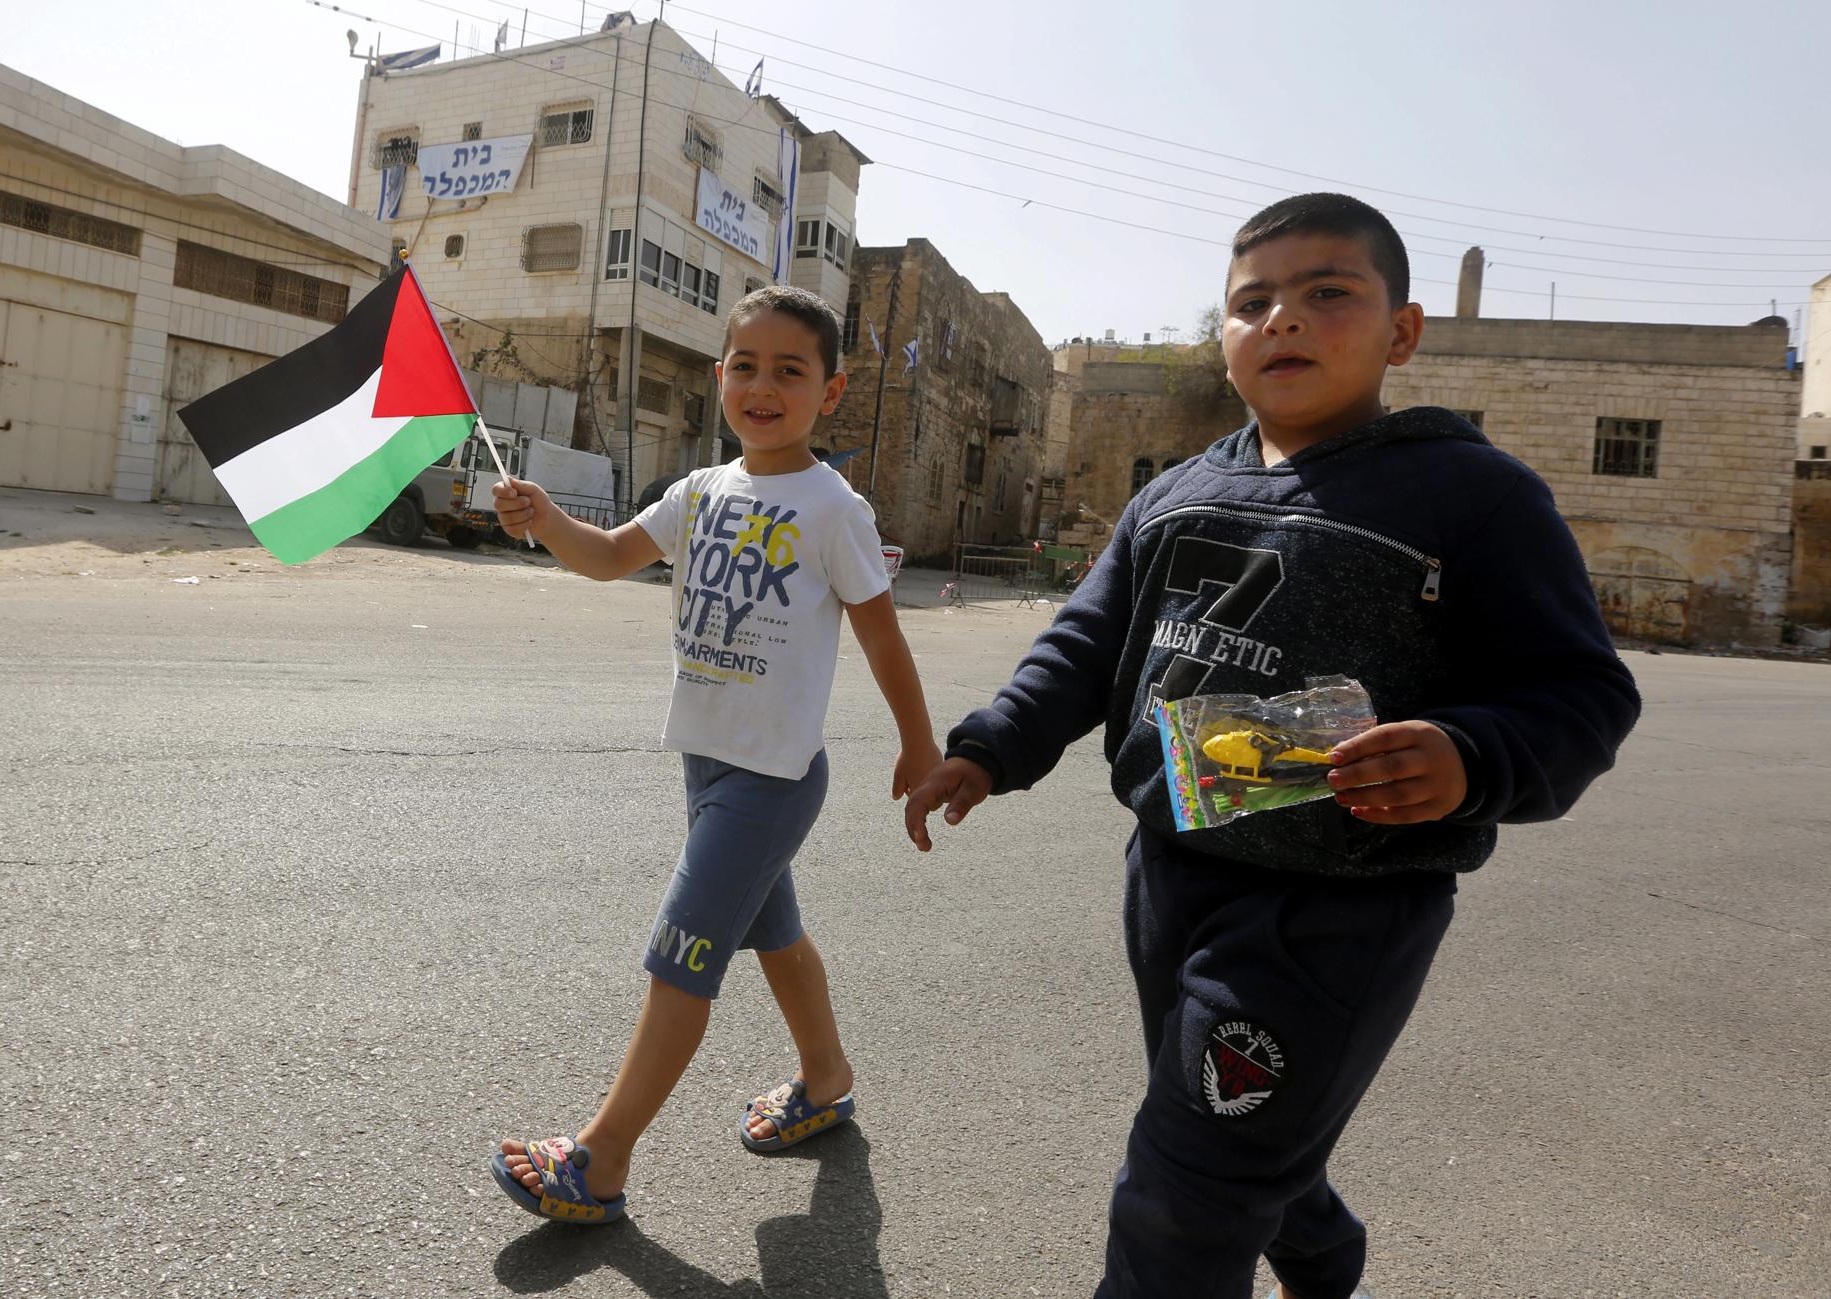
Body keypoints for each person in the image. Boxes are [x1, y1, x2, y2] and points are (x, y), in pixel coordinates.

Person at [904, 194, 1641, 1299]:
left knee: (1184, 1187)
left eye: (1326, 293)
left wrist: (1470, 753)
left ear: (1402, 332)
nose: (1284, 319)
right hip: (1170, 874)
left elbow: (1582, 692)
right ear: (1226, 338)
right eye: (1253, 302)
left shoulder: (1474, 497)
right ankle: (1319, 1250)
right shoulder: (1176, 497)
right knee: (1225, 1124)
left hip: (1341, 910)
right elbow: (1089, 640)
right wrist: (994, 743)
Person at [487, 285, 938, 1224]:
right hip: (707, 763)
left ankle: (599, 1160)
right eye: (746, 366)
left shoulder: (832, 506)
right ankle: (826, 1078)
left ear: (832, 389)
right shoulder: (700, 490)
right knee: (775, 937)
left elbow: (884, 637)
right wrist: (543, 520)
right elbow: (610, 554)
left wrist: (918, 741)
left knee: (681, 953)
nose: (763, 386)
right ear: (717, 376)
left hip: (773, 778)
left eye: (789, 370)